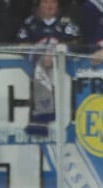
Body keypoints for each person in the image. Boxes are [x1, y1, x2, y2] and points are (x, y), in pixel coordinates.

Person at [15, 0, 80, 135]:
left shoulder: (66, 23)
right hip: (35, 65)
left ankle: (43, 116)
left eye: (53, 2)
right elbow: (22, 45)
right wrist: (41, 52)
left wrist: (55, 52)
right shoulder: (30, 23)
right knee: (40, 66)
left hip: (62, 65)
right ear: (39, 4)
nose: (50, 6)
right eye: (45, 2)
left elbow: (75, 43)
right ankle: (43, 114)